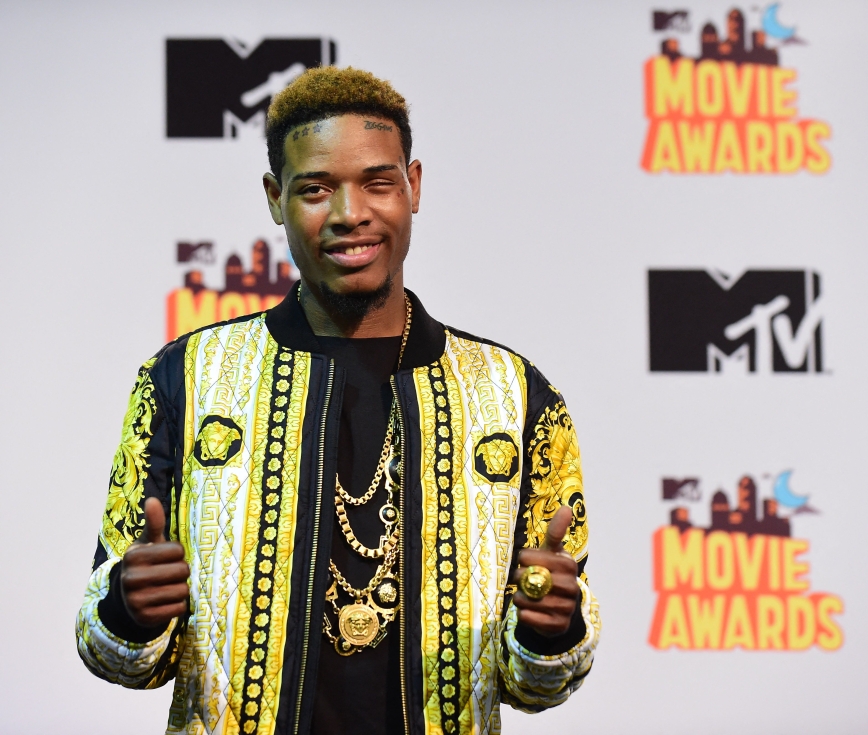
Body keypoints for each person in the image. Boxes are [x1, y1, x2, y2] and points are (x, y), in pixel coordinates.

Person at [76, 66, 599, 735]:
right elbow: (109, 649)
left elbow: (538, 681)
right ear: (275, 197)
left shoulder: (515, 394)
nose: (351, 214)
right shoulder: (186, 377)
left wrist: (552, 629)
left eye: (377, 183)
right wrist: (129, 609)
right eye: (317, 189)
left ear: (413, 186)